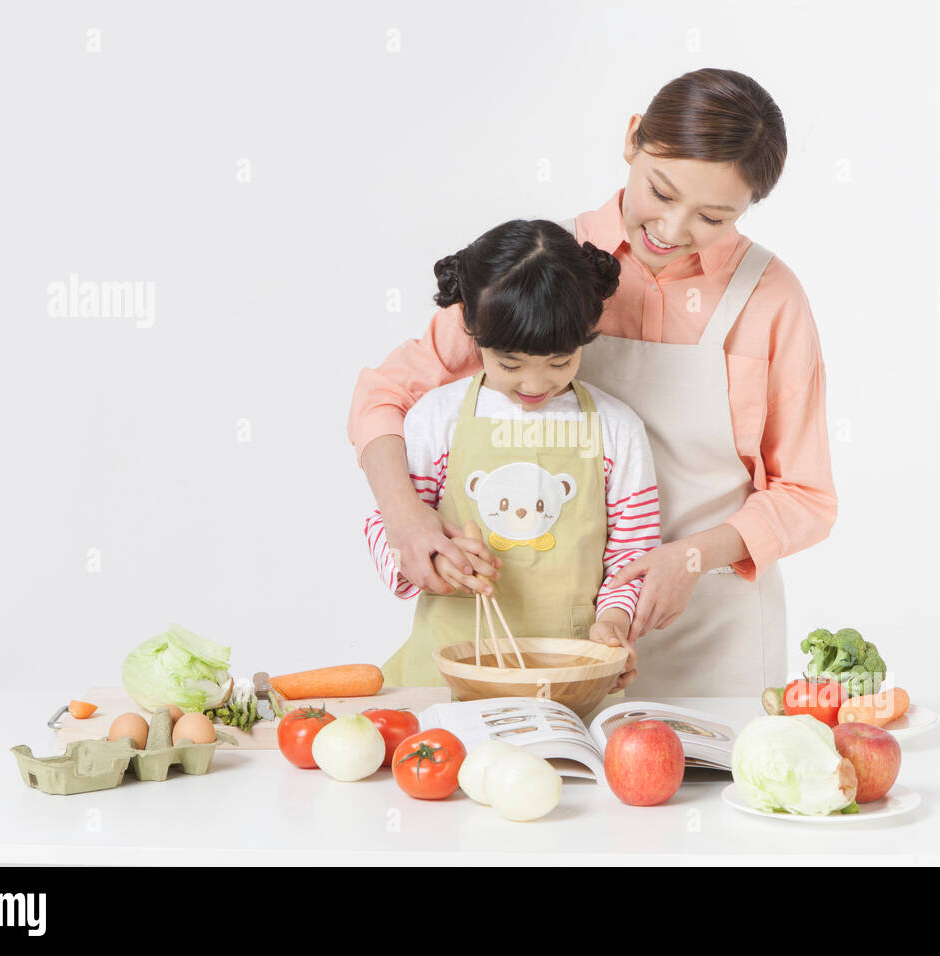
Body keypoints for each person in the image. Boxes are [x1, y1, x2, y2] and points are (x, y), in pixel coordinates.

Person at [350, 68, 836, 697]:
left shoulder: (772, 298)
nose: (671, 228)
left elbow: (807, 495)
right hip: (547, 642)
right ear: (633, 140)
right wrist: (406, 520)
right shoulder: (545, 268)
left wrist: (690, 559)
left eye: (712, 217)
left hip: (713, 637)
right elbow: (384, 397)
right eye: (660, 191)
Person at [364, 219, 659, 690]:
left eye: (560, 362)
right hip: (443, 679)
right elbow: (388, 526)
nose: (535, 384)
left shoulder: (617, 429)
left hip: (566, 683)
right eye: (510, 364)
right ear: (473, 333)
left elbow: (633, 553)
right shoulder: (435, 419)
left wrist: (615, 625)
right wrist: (433, 563)